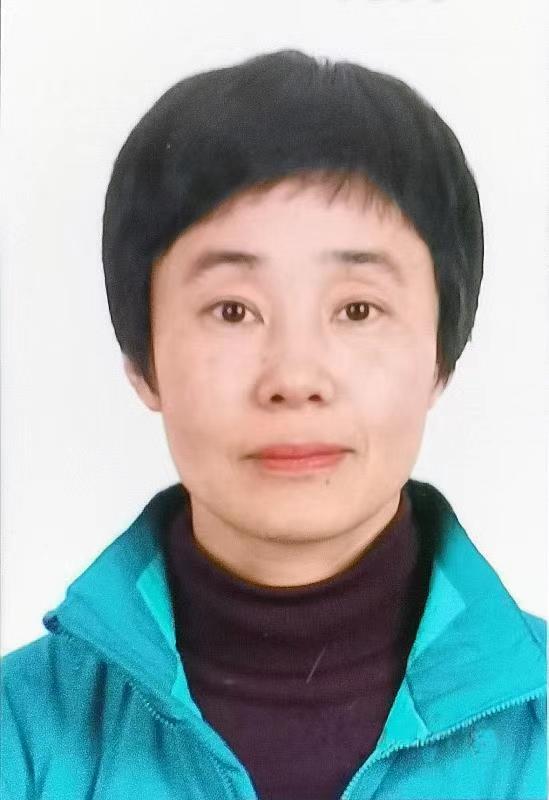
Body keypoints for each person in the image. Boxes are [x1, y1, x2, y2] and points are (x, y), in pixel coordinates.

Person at [1, 49, 546, 800]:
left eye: (357, 309)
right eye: (233, 310)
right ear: (142, 359)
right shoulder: (21, 731)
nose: (294, 378)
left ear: (440, 357)